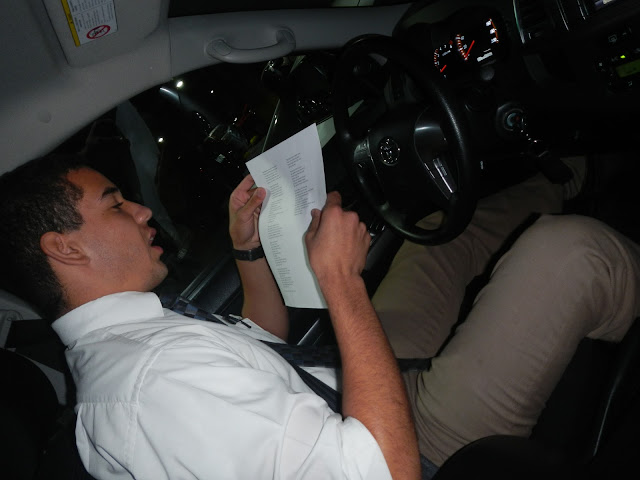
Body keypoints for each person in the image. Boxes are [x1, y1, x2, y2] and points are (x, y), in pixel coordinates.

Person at [0, 153, 638, 480]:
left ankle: (571, 171)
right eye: (115, 204)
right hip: (407, 447)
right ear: (65, 248)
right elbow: (385, 472)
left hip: (343, 397)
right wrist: (340, 281)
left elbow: (262, 343)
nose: (142, 211)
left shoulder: (134, 340)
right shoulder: (156, 386)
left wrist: (247, 247)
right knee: (571, 252)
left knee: (433, 236)